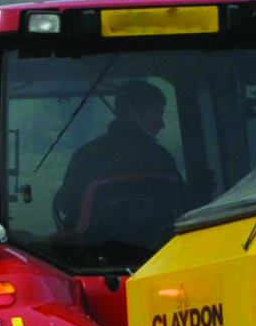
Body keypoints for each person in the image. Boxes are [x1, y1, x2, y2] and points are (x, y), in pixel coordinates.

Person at [53, 79, 182, 243]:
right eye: (156, 115)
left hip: (93, 253)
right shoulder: (161, 158)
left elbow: (69, 205)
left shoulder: (86, 155)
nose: (161, 124)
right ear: (133, 113)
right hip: (160, 251)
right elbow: (184, 205)